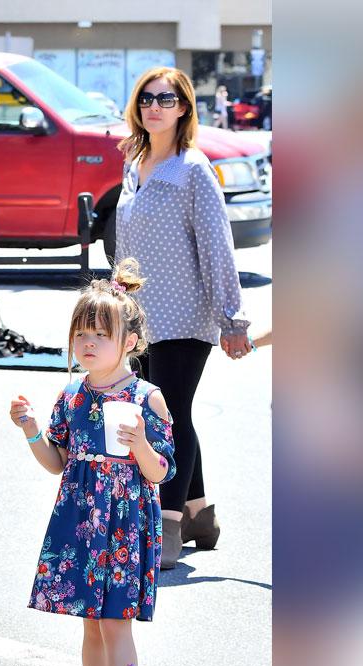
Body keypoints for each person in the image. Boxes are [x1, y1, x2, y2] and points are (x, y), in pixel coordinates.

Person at [9, 259, 175, 666]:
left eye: (100, 334)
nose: (87, 343)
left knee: (116, 621)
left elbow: (161, 471)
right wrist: (32, 429)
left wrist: (142, 443)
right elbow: (58, 462)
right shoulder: (72, 395)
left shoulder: (148, 397)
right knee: (90, 623)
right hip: (81, 519)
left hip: (124, 522)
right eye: (81, 333)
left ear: (129, 342)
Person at [115, 66, 252, 568]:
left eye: (166, 99)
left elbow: (218, 245)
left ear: (184, 108)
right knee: (166, 411)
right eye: (147, 98)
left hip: (185, 316)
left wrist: (232, 319)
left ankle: (168, 523)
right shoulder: (134, 163)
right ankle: (199, 513)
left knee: (168, 414)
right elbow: (128, 244)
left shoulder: (193, 169)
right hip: (141, 319)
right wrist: (118, 301)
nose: (155, 106)